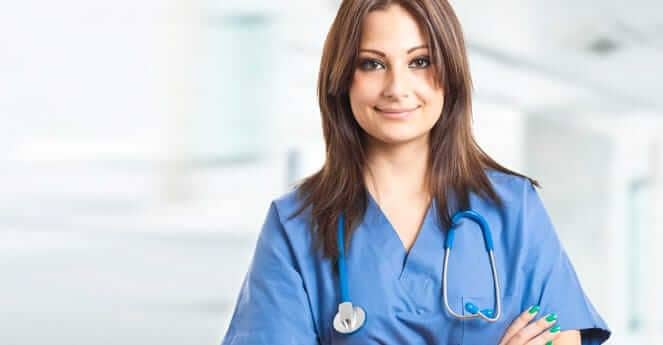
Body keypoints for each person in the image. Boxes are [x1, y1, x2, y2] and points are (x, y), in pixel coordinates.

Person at [221, 1, 611, 344]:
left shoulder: (514, 210)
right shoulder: (295, 226)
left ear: (450, 72)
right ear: (342, 78)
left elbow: (560, 338)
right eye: (372, 64)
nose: (397, 87)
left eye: (420, 61)